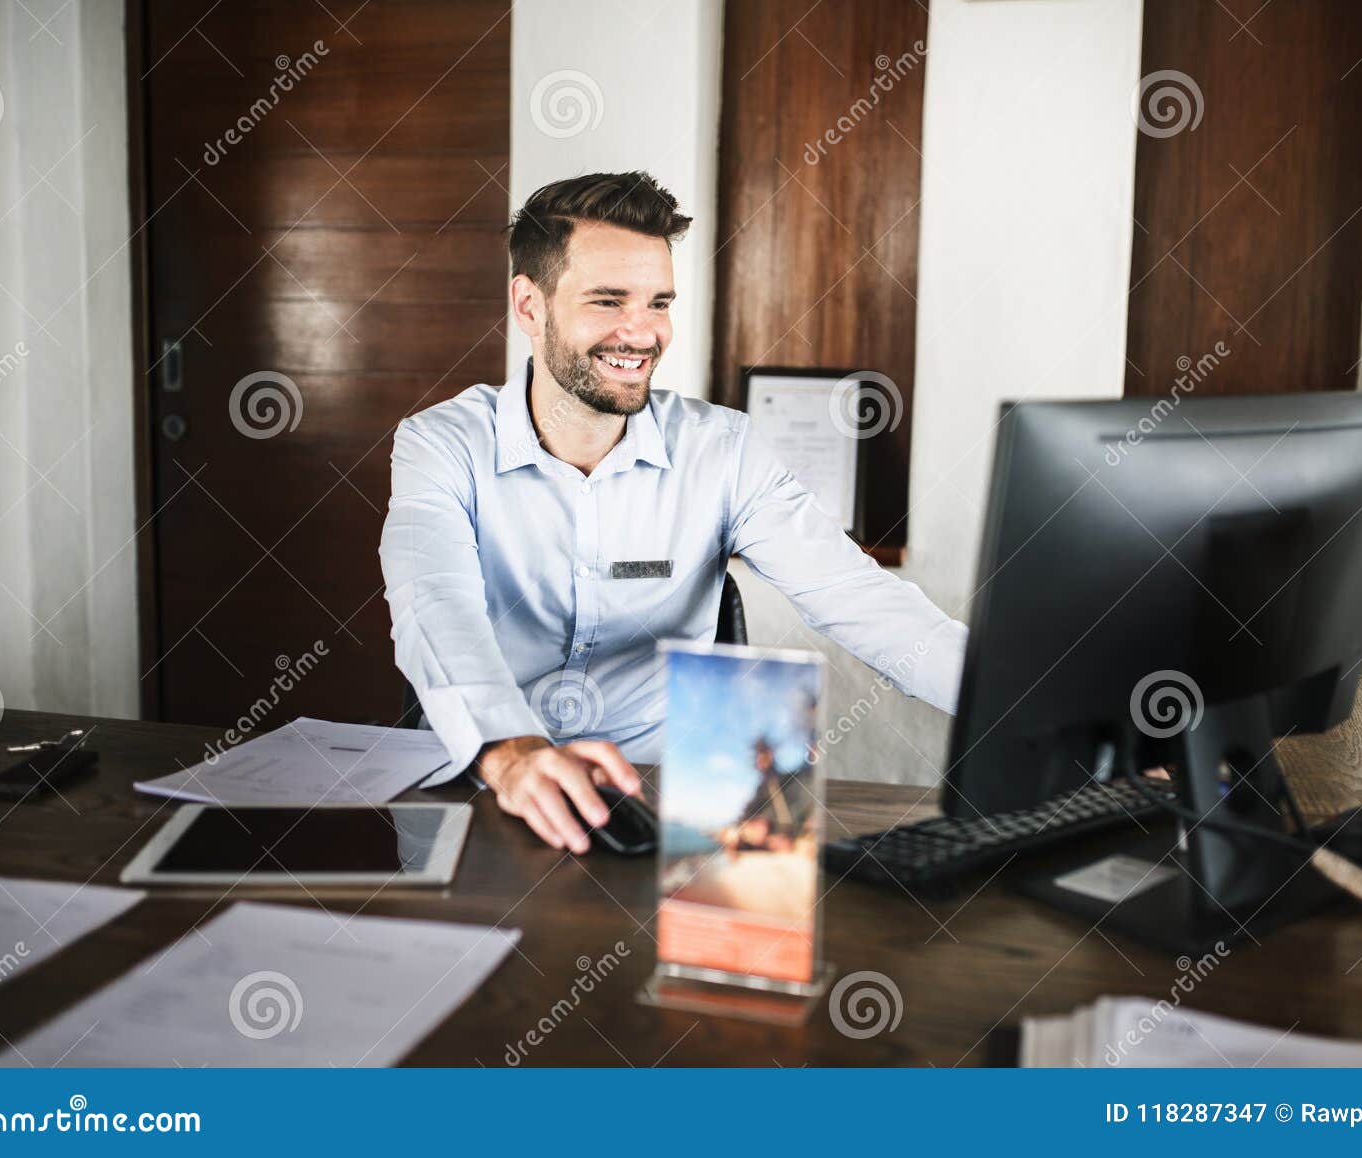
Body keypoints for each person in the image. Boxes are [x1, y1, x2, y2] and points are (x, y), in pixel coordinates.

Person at [379, 170, 967, 855]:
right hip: (491, 787)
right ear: (529, 307)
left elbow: (863, 601)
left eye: (659, 302)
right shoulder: (439, 444)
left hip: (668, 808)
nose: (642, 332)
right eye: (608, 300)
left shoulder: (723, 450)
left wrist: (1050, 716)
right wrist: (512, 753)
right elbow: (433, 607)